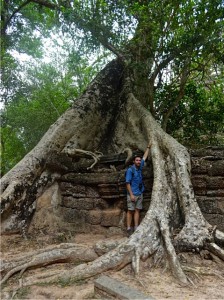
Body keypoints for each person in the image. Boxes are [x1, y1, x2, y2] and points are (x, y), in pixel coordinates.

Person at [125, 143, 151, 237]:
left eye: (139, 160)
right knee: (130, 211)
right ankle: (128, 228)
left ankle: (136, 227)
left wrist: (148, 147)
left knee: (137, 210)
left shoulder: (139, 168)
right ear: (133, 161)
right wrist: (131, 195)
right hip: (132, 194)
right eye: (137, 160)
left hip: (140, 193)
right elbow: (127, 183)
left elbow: (144, 157)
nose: (139, 161)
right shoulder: (130, 170)